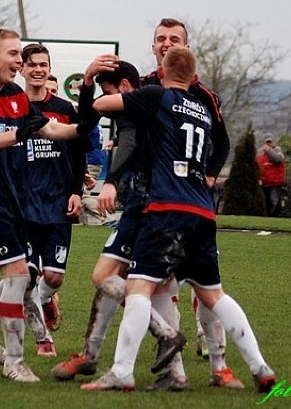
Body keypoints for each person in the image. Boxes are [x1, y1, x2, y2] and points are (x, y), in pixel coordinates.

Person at [81, 46, 277, 393]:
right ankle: (260, 367)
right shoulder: (202, 109)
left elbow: (101, 105)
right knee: (213, 294)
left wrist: (95, 83)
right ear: (194, 76)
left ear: (164, 70)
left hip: (166, 209)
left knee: (138, 287)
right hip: (202, 210)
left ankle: (122, 371)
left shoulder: (158, 95)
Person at [0, 28, 87, 383]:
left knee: (22, 275)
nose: (19, 62)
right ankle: (15, 360)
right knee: (17, 274)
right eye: (14, 55)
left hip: (12, 199)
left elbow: (46, 128)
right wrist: (17, 135)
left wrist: (80, 128)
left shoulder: (15, 94)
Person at [52, 57, 188, 390]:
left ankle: (167, 340)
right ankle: (93, 355)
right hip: (159, 205)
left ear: (124, 88)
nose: (104, 100)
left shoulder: (136, 105)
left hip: (146, 207)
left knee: (110, 278)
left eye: (106, 90)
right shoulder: (157, 101)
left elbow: (125, 140)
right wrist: (86, 81)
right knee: (135, 285)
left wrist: (111, 180)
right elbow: (87, 122)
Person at [139, 17, 240, 389]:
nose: (166, 44)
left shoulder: (204, 94)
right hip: (154, 201)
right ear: (153, 47)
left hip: (193, 202)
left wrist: (211, 174)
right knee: (161, 286)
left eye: (174, 39)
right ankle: (173, 367)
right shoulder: (145, 87)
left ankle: (220, 365)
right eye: (161, 39)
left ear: (186, 47)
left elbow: (224, 142)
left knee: (205, 288)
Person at [19, 43, 87, 357]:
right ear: (21, 69)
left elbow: (78, 153)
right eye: (31, 64)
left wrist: (76, 191)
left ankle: (47, 300)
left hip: (58, 200)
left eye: (43, 65)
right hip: (24, 203)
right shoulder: (12, 106)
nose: (37, 69)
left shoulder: (64, 108)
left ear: (49, 69)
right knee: (27, 276)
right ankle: (43, 338)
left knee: (54, 277)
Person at [256, 135, 287, 216]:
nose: (268, 144)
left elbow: (277, 159)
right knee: (266, 203)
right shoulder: (260, 154)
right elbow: (258, 167)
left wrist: (268, 150)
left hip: (275, 183)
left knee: (274, 202)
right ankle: (267, 217)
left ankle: (274, 217)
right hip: (264, 183)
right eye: (267, 142)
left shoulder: (278, 151)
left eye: (270, 142)